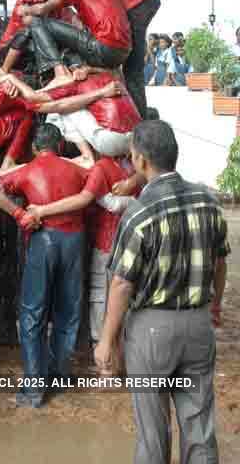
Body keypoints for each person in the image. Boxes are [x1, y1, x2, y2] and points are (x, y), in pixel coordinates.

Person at [95, 120, 229, 464]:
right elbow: (219, 262)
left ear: (139, 161)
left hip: (152, 332)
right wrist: (213, 306)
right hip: (199, 326)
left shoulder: (139, 213)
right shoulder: (208, 200)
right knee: (199, 430)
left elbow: (122, 282)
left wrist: (107, 341)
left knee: (153, 435)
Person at [0, 124, 88, 408]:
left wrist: (17, 140)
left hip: (42, 239)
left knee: (32, 312)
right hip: (74, 240)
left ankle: (34, 390)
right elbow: (91, 165)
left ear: (36, 148)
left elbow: (2, 174)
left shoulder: (26, 170)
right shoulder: (76, 169)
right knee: (68, 308)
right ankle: (59, 374)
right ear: (61, 146)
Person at [27, 155, 138, 349]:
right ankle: (103, 346)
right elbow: (106, 202)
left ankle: (104, 347)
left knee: (104, 294)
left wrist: (41, 211)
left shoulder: (117, 167)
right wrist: (136, 197)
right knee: (110, 294)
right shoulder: (113, 167)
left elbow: (95, 200)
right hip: (114, 242)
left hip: (111, 241)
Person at [0, 74, 123, 165]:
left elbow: (43, 93)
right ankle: (8, 163)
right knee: (27, 113)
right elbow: (55, 105)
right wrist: (102, 93)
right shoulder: (14, 91)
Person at [19, 0, 132, 74]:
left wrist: (25, 9)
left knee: (39, 22)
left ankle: (59, 72)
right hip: (123, 53)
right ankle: (98, 70)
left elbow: (41, 10)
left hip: (103, 49)